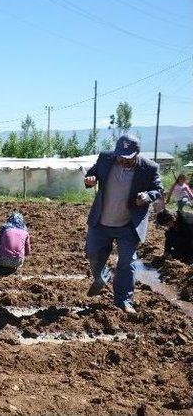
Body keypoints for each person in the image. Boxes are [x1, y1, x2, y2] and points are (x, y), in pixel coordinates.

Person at [83, 134, 163, 313]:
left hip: (128, 224)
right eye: (120, 156)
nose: (122, 160)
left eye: (127, 158)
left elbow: (158, 189)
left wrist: (147, 196)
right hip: (101, 221)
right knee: (92, 253)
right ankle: (102, 276)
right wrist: (90, 180)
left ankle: (123, 300)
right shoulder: (106, 158)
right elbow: (92, 174)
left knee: (127, 262)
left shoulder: (149, 168)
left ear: (137, 154)